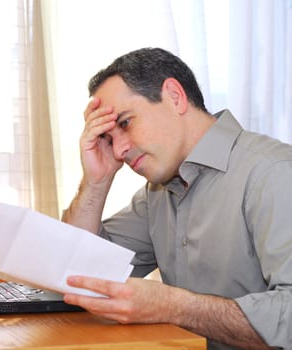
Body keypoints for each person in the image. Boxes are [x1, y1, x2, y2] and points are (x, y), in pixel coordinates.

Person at [61, 47, 292, 349]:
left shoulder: (273, 174)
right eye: (108, 137)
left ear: (174, 96)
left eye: (125, 123)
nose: (118, 151)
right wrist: (96, 182)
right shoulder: (157, 193)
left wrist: (173, 306)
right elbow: (78, 273)